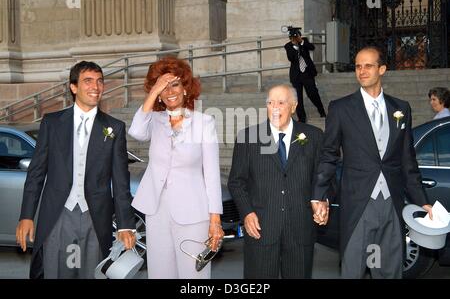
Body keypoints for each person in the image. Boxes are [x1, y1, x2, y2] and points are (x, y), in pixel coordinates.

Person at [312, 46, 433, 279]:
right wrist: (319, 195)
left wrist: (423, 202)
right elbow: (328, 155)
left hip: (392, 204)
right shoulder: (341, 108)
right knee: (352, 270)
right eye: (358, 66)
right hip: (358, 203)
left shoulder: (401, 109)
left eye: (368, 65)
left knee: (389, 270)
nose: (362, 71)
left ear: (382, 69)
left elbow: (408, 161)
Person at [16, 61, 136, 279]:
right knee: (54, 273)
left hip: (95, 217)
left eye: (100, 81)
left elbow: (121, 181)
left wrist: (126, 225)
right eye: (88, 81)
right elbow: (36, 173)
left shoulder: (114, 127)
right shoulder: (52, 123)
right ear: (73, 87)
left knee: (91, 274)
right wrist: (26, 215)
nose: (96, 87)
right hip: (58, 215)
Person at [128, 56, 224, 279]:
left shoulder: (204, 122)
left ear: (185, 88)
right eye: (163, 86)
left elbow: (211, 174)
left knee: (194, 276)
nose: (169, 91)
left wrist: (215, 220)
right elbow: (136, 132)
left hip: (193, 213)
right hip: (156, 211)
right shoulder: (154, 119)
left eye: (174, 84)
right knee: (160, 274)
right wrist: (153, 91)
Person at [227, 84, 323, 278]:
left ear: (294, 106)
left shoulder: (314, 136)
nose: (275, 107)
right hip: (261, 229)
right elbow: (236, 182)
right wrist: (247, 213)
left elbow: (323, 177)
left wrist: (322, 200)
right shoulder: (248, 137)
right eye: (270, 103)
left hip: (300, 229)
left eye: (281, 102)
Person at [284, 28, 326, 123]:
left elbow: (312, 47)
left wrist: (301, 42)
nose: (294, 39)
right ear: (290, 38)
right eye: (292, 37)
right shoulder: (288, 46)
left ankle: (321, 110)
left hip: (307, 73)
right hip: (296, 76)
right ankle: (302, 118)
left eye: (296, 36)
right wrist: (295, 46)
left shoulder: (304, 41)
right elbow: (291, 58)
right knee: (298, 97)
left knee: (312, 93)